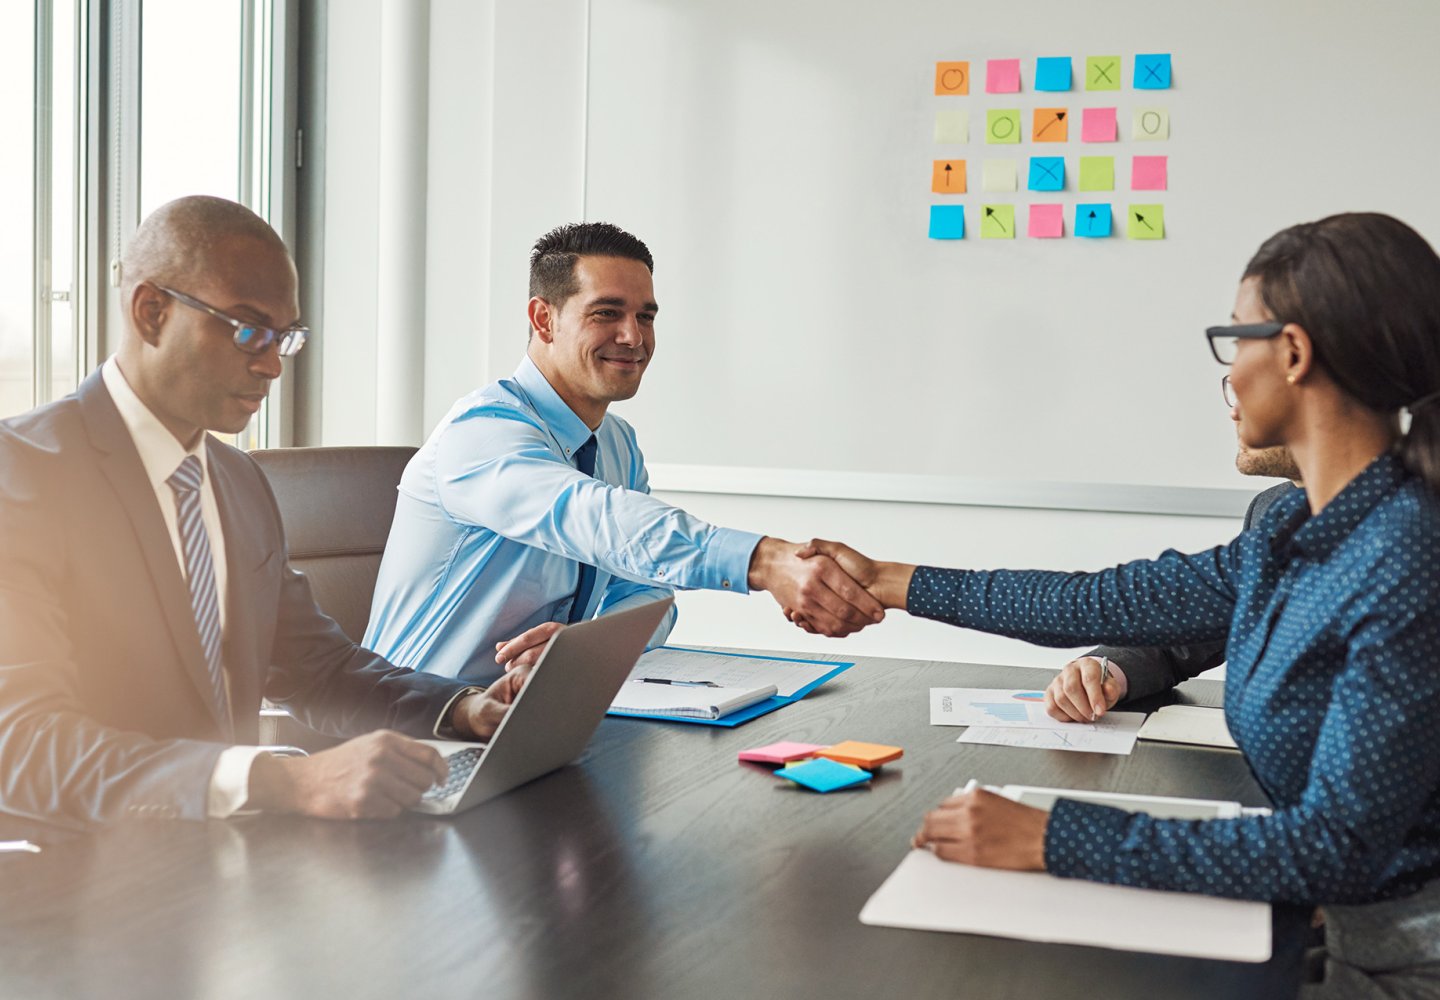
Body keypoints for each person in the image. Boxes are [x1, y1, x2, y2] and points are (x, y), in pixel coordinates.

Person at [796, 213, 1440, 996]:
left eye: (1237, 339)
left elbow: (1335, 848)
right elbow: (1104, 599)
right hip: (1344, 934)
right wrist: (892, 581)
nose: (1230, 371)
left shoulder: (1407, 553)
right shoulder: (1294, 529)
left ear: (1295, 352)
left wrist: (1054, 836)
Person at [0, 196, 524, 830]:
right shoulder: (23, 473)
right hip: (74, 879)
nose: (272, 364)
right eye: (247, 329)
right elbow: (22, 746)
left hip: (222, 863)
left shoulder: (237, 479)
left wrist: (465, 708)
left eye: (286, 338)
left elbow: (319, 669)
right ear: (150, 312)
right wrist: (279, 778)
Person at [364, 222, 882, 684]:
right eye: (607, 313)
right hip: (415, 730)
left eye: (646, 316)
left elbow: (648, 594)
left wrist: (582, 647)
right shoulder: (481, 434)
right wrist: (764, 561)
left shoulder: (616, 443)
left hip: (534, 714)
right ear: (544, 320)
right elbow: (598, 519)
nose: (634, 337)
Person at [1044, 446, 1298, 723]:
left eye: (1253, 398)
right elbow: (1188, 634)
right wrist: (1103, 671)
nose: (1236, 412)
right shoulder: (1271, 507)